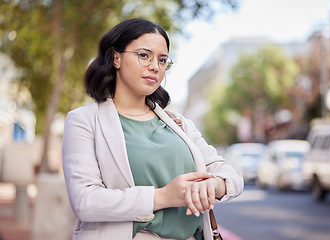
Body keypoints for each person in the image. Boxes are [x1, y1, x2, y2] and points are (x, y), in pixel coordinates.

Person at [62, 18, 244, 240]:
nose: (155, 66)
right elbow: (85, 201)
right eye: (144, 55)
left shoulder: (179, 123)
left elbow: (231, 176)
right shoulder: (84, 121)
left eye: (163, 59)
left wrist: (213, 185)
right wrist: (163, 197)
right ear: (116, 58)